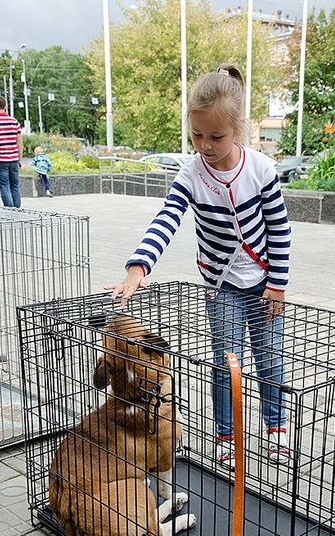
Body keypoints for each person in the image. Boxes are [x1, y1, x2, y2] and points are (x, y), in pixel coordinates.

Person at [108, 64, 292, 469]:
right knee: (226, 362)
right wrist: (138, 268)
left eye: (216, 136)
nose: (205, 146)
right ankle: (228, 435)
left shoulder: (261, 170)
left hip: (263, 284)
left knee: (270, 359)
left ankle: (276, 429)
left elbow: (279, 232)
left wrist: (277, 284)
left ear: (238, 128)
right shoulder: (191, 175)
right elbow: (166, 219)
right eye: (197, 135)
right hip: (220, 285)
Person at [0, 95, 23, 208]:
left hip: (0, 160)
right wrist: (20, 159)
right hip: (14, 159)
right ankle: (17, 211)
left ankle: (10, 212)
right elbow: (19, 143)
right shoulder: (14, 121)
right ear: (5, 106)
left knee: (4, 186)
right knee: (15, 186)